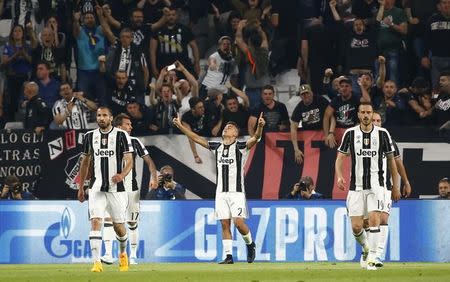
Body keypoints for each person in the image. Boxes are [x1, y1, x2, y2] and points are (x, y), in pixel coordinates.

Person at [172, 114, 266, 264]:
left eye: (231, 127)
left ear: (235, 134)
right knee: (224, 223)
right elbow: (196, 138)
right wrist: (181, 127)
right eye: (226, 126)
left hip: (236, 192)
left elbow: (256, 138)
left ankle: (250, 244)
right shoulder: (217, 147)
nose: (227, 127)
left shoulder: (241, 146)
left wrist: (260, 127)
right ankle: (228, 256)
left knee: (239, 223)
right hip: (221, 192)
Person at [335, 102, 400, 270]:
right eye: (362, 112)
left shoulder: (383, 134)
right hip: (356, 187)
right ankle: (365, 249)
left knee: (374, 220)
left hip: (377, 186)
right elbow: (340, 158)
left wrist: (396, 185)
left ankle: (373, 257)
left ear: (372, 115)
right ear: (358, 114)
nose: (365, 115)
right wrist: (340, 176)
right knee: (357, 227)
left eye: (368, 112)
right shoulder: (350, 134)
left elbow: (392, 161)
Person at [77, 107, 134, 272]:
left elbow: (129, 160)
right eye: (99, 116)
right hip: (96, 188)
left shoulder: (121, 135)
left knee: (119, 227)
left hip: (117, 188)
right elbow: (85, 162)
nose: (101, 118)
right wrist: (81, 187)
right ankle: (96, 263)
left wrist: (122, 175)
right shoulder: (90, 136)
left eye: (104, 116)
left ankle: (123, 254)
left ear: (111, 118)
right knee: (95, 221)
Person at [101, 113, 158, 265]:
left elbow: (149, 161)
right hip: (112, 189)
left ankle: (132, 256)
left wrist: (154, 177)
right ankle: (107, 254)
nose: (131, 127)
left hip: (130, 190)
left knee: (132, 223)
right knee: (108, 220)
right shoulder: (107, 141)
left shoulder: (135, 141)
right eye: (128, 124)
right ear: (119, 127)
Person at [365, 111, 412, 267]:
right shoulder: (360, 139)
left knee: (383, 219)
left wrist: (403, 183)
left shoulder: (388, 140)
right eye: (374, 120)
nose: (377, 123)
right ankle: (367, 252)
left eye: (379, 120)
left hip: (383, 187)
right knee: (367, 222)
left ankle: (378, 255)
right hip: (364, 187)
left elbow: (397, 163)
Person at [290, 84, 329, 164]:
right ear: (300, 96)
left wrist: (329, 133)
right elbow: (293, 127)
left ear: (311, 93)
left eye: (307, 93)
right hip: (310, 140)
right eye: (303, 94)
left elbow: (331, 115)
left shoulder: (321, 100)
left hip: (323, 135)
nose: (305, 96)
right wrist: (296, 149)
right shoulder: (299, 107)